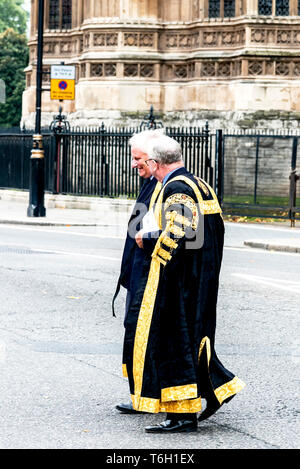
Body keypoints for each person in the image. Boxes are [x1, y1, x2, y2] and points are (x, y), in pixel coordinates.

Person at [121, 132, 245, 433]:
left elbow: (182, 233)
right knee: (194, 340)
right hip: (200, 278)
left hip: (180, 283)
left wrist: (147, 240)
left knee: (174, 343)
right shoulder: (198, 183)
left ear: (155, 161)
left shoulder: (176, 188)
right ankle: (215, 389)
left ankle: (182, 415)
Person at [113, 129, 162, 414]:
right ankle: (143, 395)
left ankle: (150, 397)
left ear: (154, 159)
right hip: (139, 275)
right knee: (136, 333)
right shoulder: (152, 183)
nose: (134, 164)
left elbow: (189, 235)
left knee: (146, 335)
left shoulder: (168, 186)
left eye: (138, 158)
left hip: (151, 277)